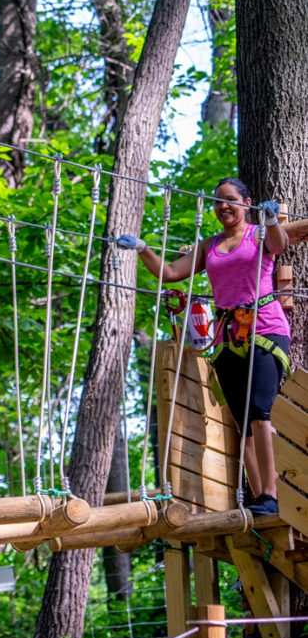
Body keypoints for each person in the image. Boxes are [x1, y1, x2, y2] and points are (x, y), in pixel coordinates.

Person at [117, 177, 290, 516]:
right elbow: (169, 273)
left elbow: (280, 245)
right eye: (218, 201)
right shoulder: (208, 245)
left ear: (247, 202)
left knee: (260, 410)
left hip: (265, 329)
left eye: (230, 200)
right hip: (227, 336)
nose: (224, 206)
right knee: (242, 419)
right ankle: (259, 497)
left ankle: (272, 493)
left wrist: (270, 220)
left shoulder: (258, 234)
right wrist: (142, 249)